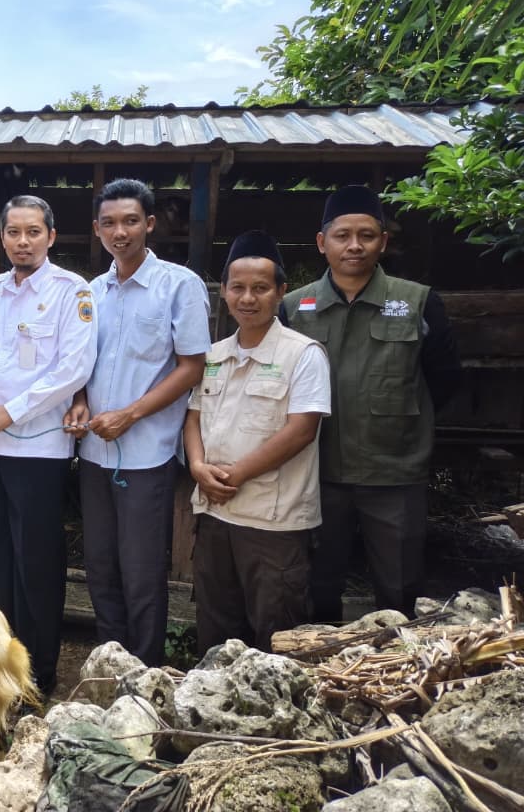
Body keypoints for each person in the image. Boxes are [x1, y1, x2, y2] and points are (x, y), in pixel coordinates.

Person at [282, 185, 460, 620]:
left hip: (394, 472)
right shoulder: (294, 308)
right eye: (342, 235)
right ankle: (320, 658)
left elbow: (443, 379)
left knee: (400, 587)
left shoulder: (417, 302)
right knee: (318, 584)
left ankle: (398, 658)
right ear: (322, 242)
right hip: (317, 471)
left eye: (366, 235)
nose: (354, 246)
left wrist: (399, 426)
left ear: (383, 241)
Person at [62, 178, 210, 667]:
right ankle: (110, 662)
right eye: (109, 223)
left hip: (147, 453)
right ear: (96, 229)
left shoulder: (179, 285)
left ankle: (145, 671)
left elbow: (192, 366)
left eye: (130, 221)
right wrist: (80, 401)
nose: (119, 232)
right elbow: (80, 363)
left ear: (149, 224)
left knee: (142, 569)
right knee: (100, 564)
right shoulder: (91, 293)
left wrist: (130, 414)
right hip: (94, 452)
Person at [0, 195, 96, 697]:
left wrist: (13, 410)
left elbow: (74, 369)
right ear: (2, 237)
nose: (22, 241)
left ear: (50, 237)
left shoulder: (71, 292)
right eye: (13, 232)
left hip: (37, 449)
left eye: (33, 232)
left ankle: (38, 669)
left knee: (36, 561)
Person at [185, 231, 330, 653]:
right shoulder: (213, 355)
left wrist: (235, 475)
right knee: (215, 629)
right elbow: (193, 417)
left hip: (273, 522)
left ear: (281, 292)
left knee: (276, 635)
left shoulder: (303, 354)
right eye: (238, 288)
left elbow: (302, 429)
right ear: (224, 291)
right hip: (215, 513)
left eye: (261, 288)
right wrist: (197, 467)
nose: (248, 298)